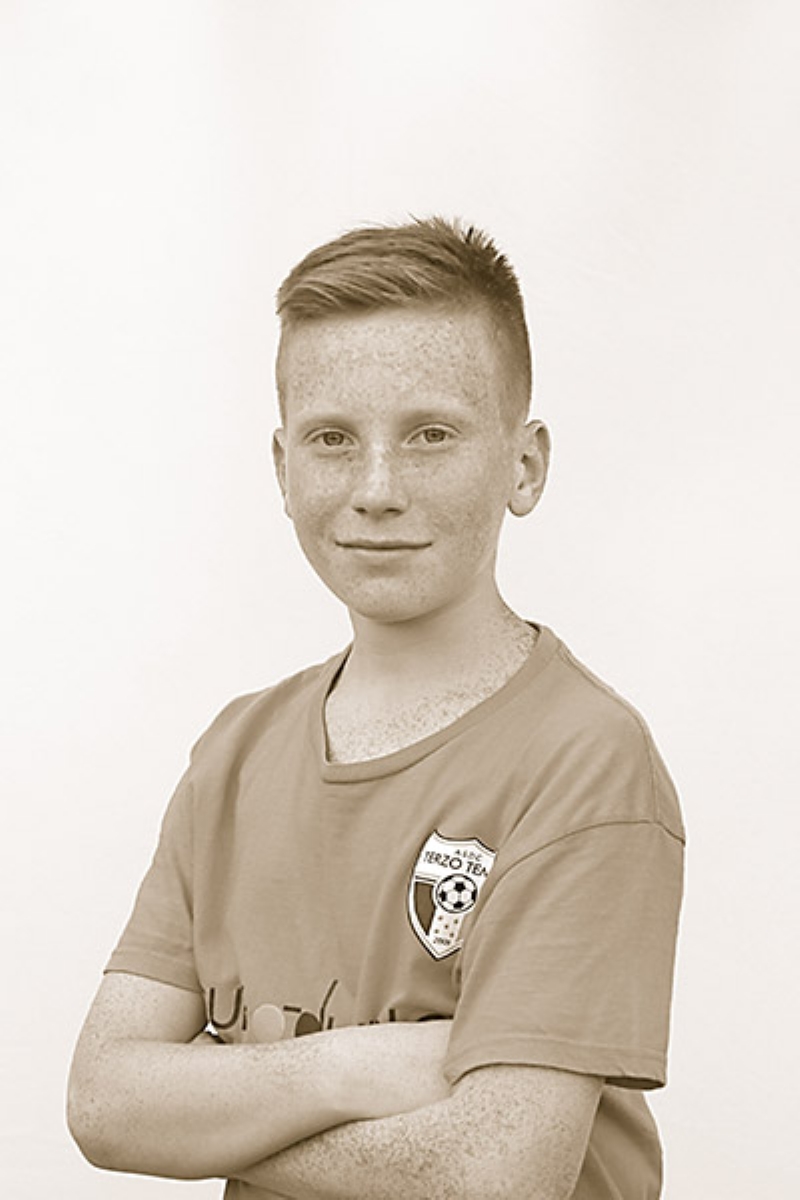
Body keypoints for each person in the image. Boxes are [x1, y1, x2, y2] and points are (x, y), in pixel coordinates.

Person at [68, 217, 685, 1199]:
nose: (376, 489)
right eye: (331, 440)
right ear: (282, 469)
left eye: (430, 435)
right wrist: (348, 1070)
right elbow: (103, 1103)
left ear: (523, 465)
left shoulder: (584, 759)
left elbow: (499, 1172)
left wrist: (206, 1120)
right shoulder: (235, 751)